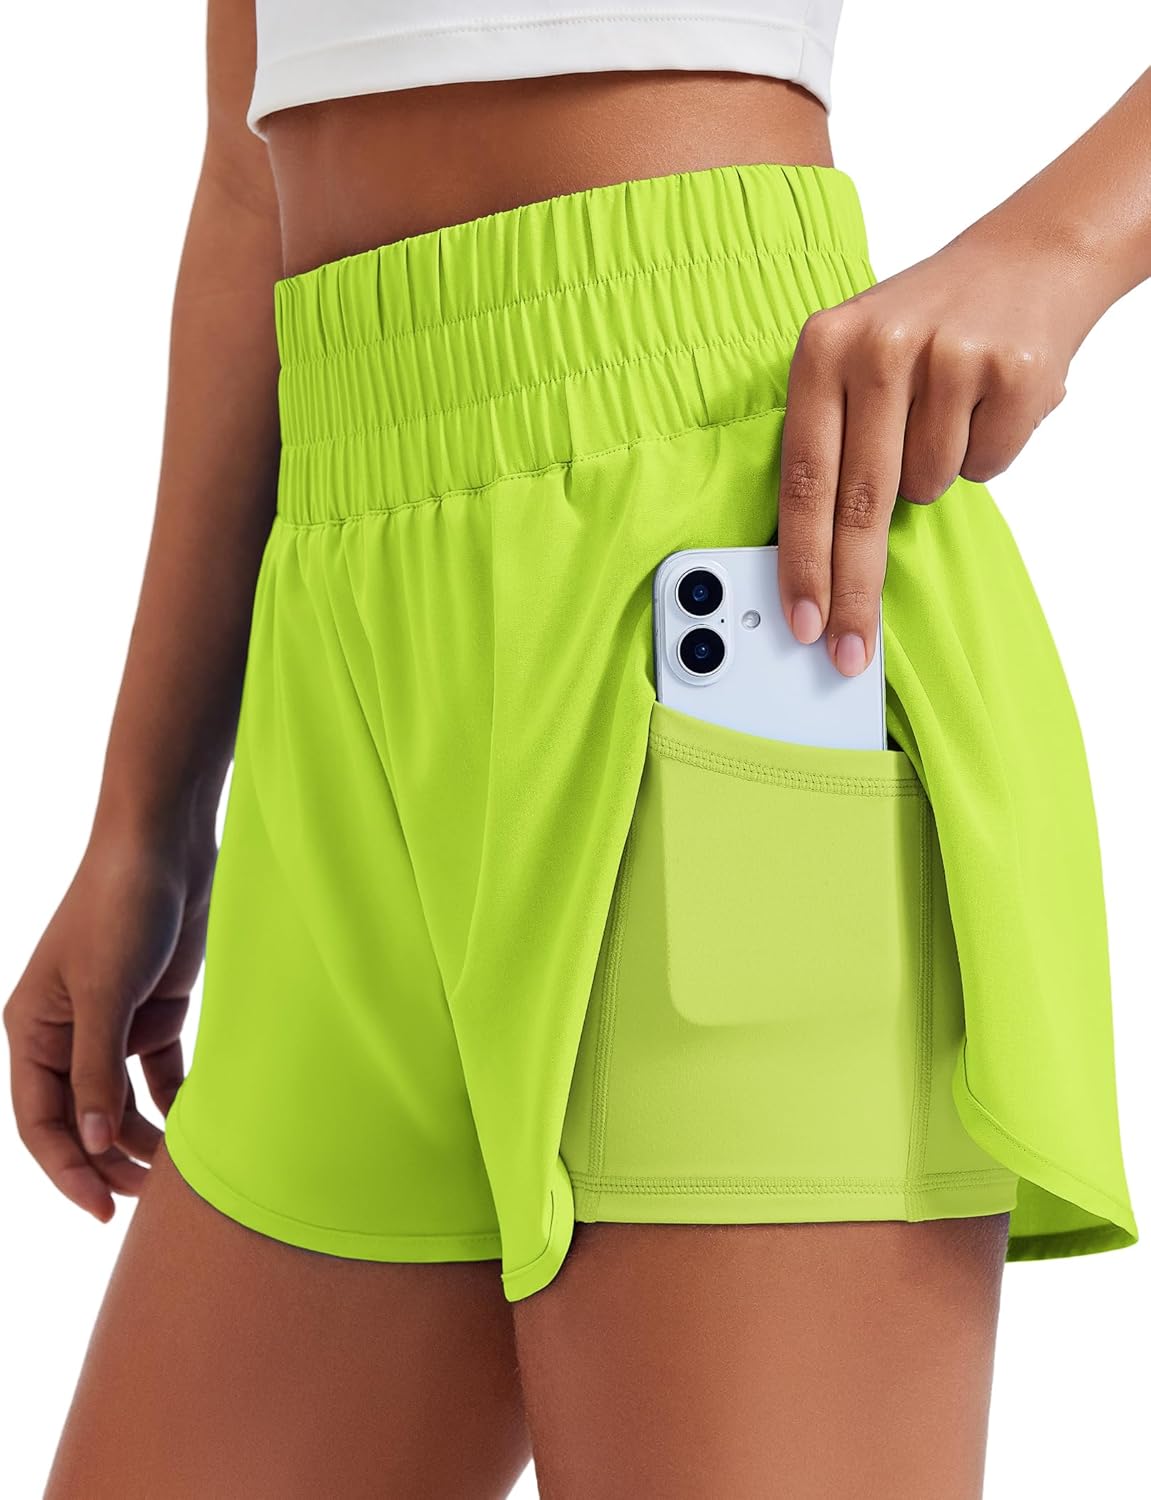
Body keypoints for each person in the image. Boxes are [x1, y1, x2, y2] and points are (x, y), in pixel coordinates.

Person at [5, 2, 1143, 1495]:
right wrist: (145, 816)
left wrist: (1063, 247)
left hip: (718, 555)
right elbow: (245, 166)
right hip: (339, 640)